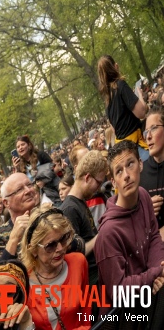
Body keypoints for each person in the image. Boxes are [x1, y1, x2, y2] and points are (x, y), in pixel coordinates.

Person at [95, 140, 164, 310]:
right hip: (125, 314)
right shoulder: (108, 233)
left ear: (140, 164)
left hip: (149, 294)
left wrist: (158, 268)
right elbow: (118, 293)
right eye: (119, 171)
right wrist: (154, 274)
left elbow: (154, 235)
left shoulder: (143, 195)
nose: (126, 175)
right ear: (113, 181)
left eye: (130, 164)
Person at [20, 206, 91, 330]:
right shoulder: (22, 280)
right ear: (33, 249)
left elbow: (85, 313)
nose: (60, 249)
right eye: (50, 245)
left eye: (63, 239)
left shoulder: (78, 262)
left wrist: (84, 328)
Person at [60, 151, 105, 286]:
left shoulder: (80, 201)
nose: (98, 188)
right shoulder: (69, 209)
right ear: (87, 177)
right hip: (90, 282)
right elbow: (74, 256)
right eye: (98, 183)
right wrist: (102, 235)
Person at [97, 55, 149, 158]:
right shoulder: (121, 85)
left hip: (124, 151)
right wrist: (140, 96)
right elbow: (141, 112)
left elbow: (114, 129)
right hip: (136, 147)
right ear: (115, 66)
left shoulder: (107, 99)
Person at [0, 172, 38, 265]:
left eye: (29, 185)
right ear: (6, 203)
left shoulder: (49, 218)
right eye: (19, 189)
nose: (28, 191)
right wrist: (13, 239)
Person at [140, 105, 164, 232]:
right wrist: (146, 210)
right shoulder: (140, 173)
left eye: (153, 128)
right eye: (145, 132)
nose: (148, 137)